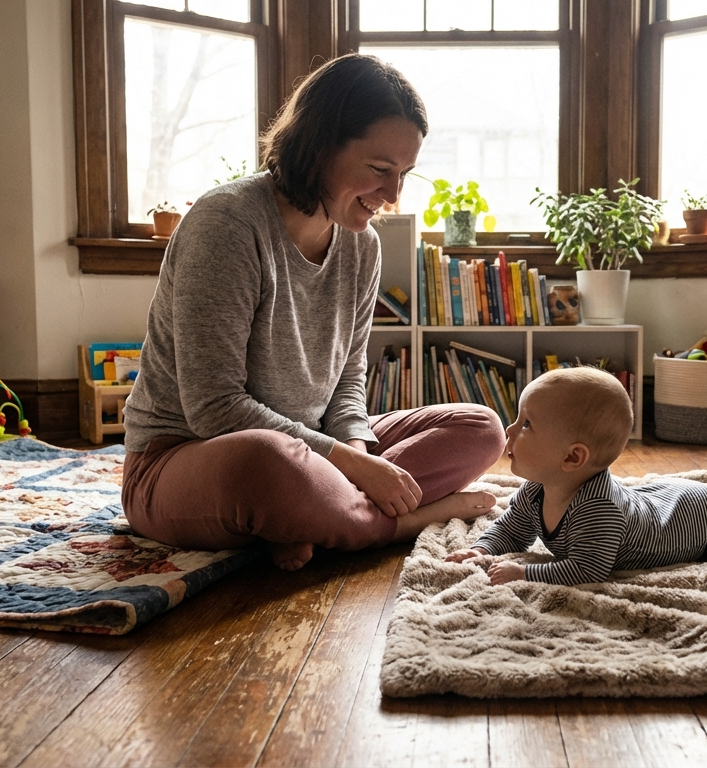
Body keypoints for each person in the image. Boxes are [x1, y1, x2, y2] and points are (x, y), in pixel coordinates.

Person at [121, 54, 506, 571]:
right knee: (269, 461)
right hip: (188, 458)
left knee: (481, 427)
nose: (393, 196)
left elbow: (348, 379)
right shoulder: (227, 224)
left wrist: (358, 452)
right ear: (320, 145)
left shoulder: (361, 246)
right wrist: (350, 466)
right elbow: (213, 407)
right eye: (379, 170)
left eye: (404, 174)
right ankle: (400, 520)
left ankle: (309, 519)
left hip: (313, 450)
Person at [446, 367, 707, 586]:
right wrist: (482, 549)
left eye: (526, 425)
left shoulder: (595, 510)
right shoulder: (535, 491)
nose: (510, 432)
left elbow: (587, 569)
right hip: (666, 497)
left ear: (573, 457)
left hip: (697, 522)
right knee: (655, 495)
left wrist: (524, 572)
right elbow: (511, 531)